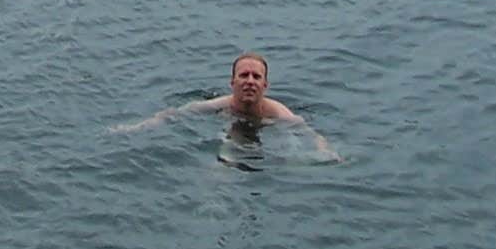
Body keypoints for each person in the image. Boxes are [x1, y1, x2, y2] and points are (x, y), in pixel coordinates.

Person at [114, 53, 338, 158]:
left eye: (256, 77)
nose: (250, 81)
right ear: (232, 83)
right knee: (225, 158)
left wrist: (326, 152)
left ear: (265, 85)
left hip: (268, 132)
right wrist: (135, 128)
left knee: (292, 150)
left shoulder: (279, 112)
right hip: (233, 125)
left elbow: (309, 133)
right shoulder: (218, 105)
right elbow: (172, 114)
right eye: (244, 75)